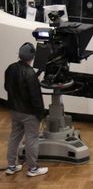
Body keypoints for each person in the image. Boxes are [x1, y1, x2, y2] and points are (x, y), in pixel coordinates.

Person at [4, 43, 48, 177]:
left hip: (14, 110)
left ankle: (11, 166)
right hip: (29, 113)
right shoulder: (29, 74)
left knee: (14, 137)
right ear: (32, 57)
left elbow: (7, 87)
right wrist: (41, 115)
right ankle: (33, 169)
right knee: (32, 139)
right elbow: (35, 98)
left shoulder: (10, 68)